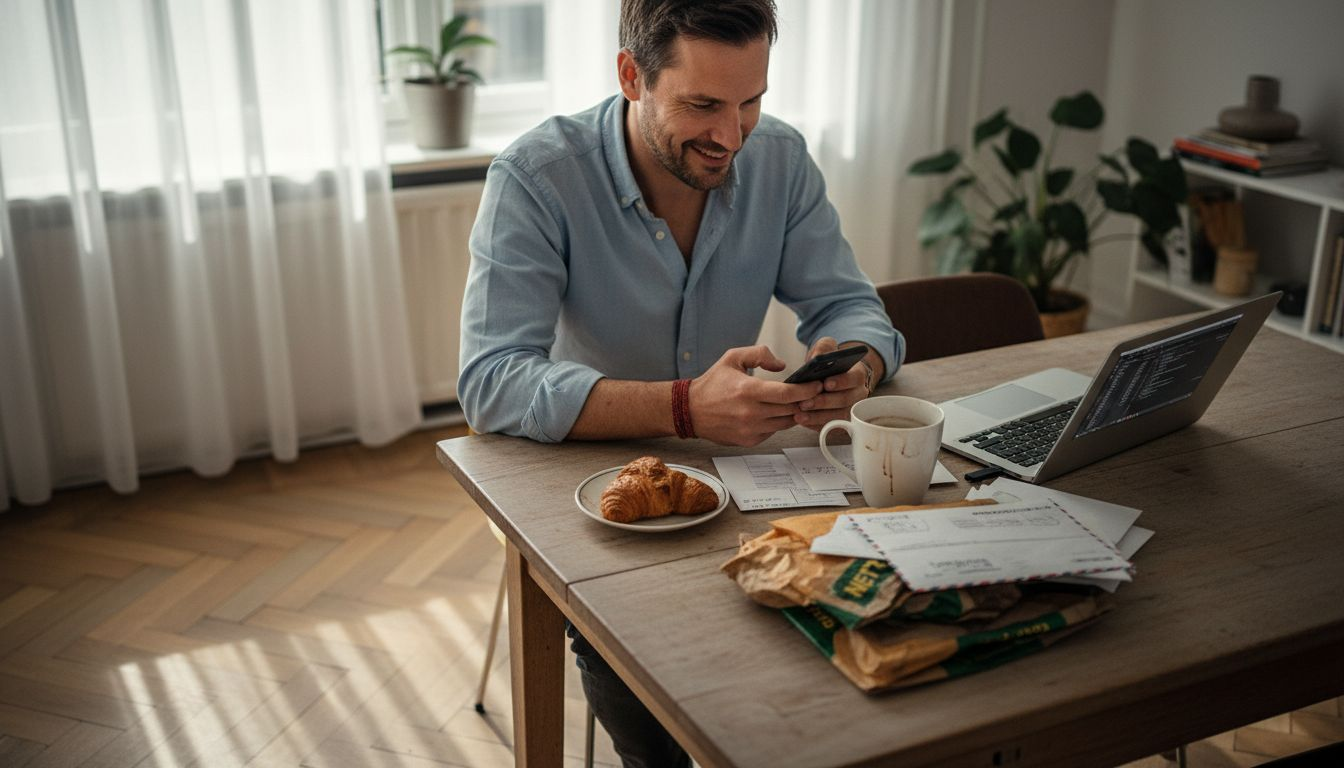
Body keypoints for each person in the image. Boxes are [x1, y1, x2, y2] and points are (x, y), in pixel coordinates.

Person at [458, 1, 903, 765]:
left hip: (757, 486)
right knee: (659, 695)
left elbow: (851, 305)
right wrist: (682, 407)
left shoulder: (782, 161)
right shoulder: (537, 177)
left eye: (751, 102)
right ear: (632, 75)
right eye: (702, 105)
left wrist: (857, 363)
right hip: (599, 499)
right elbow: (492, 382)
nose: (731, 137)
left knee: (864, 652)